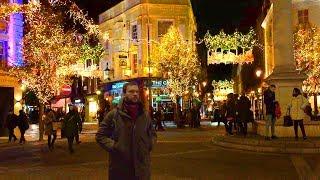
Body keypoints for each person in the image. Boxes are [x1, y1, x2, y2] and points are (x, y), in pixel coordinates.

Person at [96, 82, 157, 180]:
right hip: (120, 167)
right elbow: (100, 136)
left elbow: (152, 133)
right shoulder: (114, 115)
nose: (135, 94)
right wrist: (115, 147)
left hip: (141, 168)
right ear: (124, 94)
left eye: (137, 91)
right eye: (131, 91)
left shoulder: (144, 115)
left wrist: (148, 145)